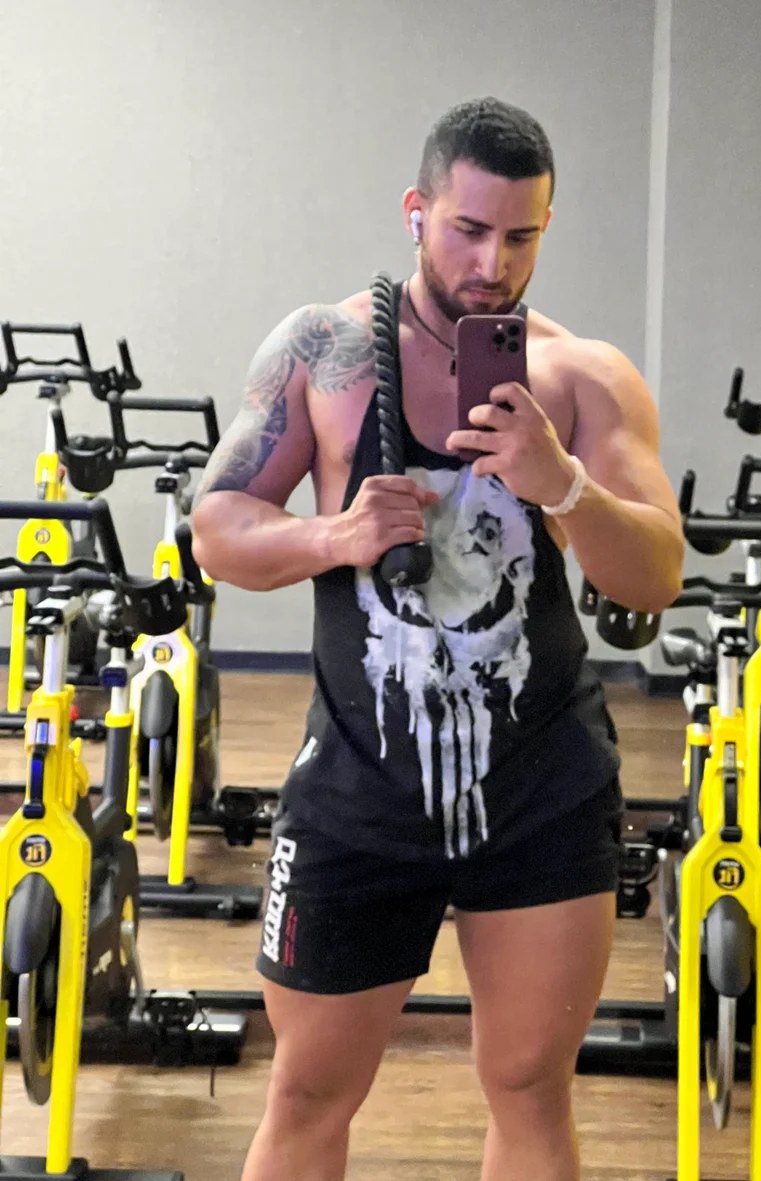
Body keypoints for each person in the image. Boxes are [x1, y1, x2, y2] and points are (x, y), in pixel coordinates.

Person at [192, 96, 684, 1181]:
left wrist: (561, 483)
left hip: (542, 788)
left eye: (520, 236)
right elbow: (217, 528)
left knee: (529, 1088)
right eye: (467, 229)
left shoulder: (582, 375)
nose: (491, 264)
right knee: (308, 1088)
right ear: (416, 210)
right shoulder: (323, 350)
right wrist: (335, 535)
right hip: (359, 789)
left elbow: (654, 573)